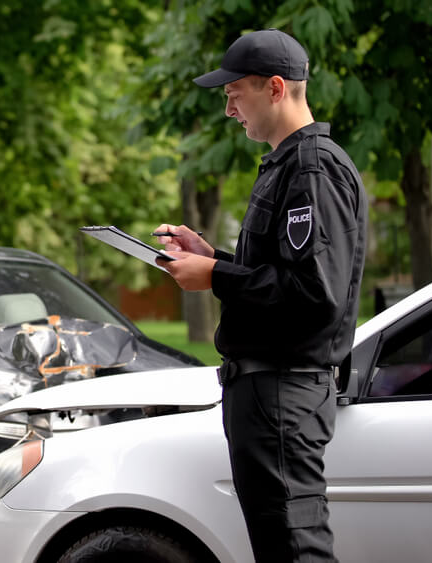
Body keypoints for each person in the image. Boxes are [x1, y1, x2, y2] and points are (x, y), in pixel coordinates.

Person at [155, 29, 367, 562]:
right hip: (267, 393)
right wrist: (215, 259)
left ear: (275, 88)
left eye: (234, 93)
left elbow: (316, 293)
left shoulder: (313, 169)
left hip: (282, 392)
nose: (229, 109)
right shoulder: (287, 164)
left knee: (295, 550)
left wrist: (215, 278)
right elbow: (286, 274)